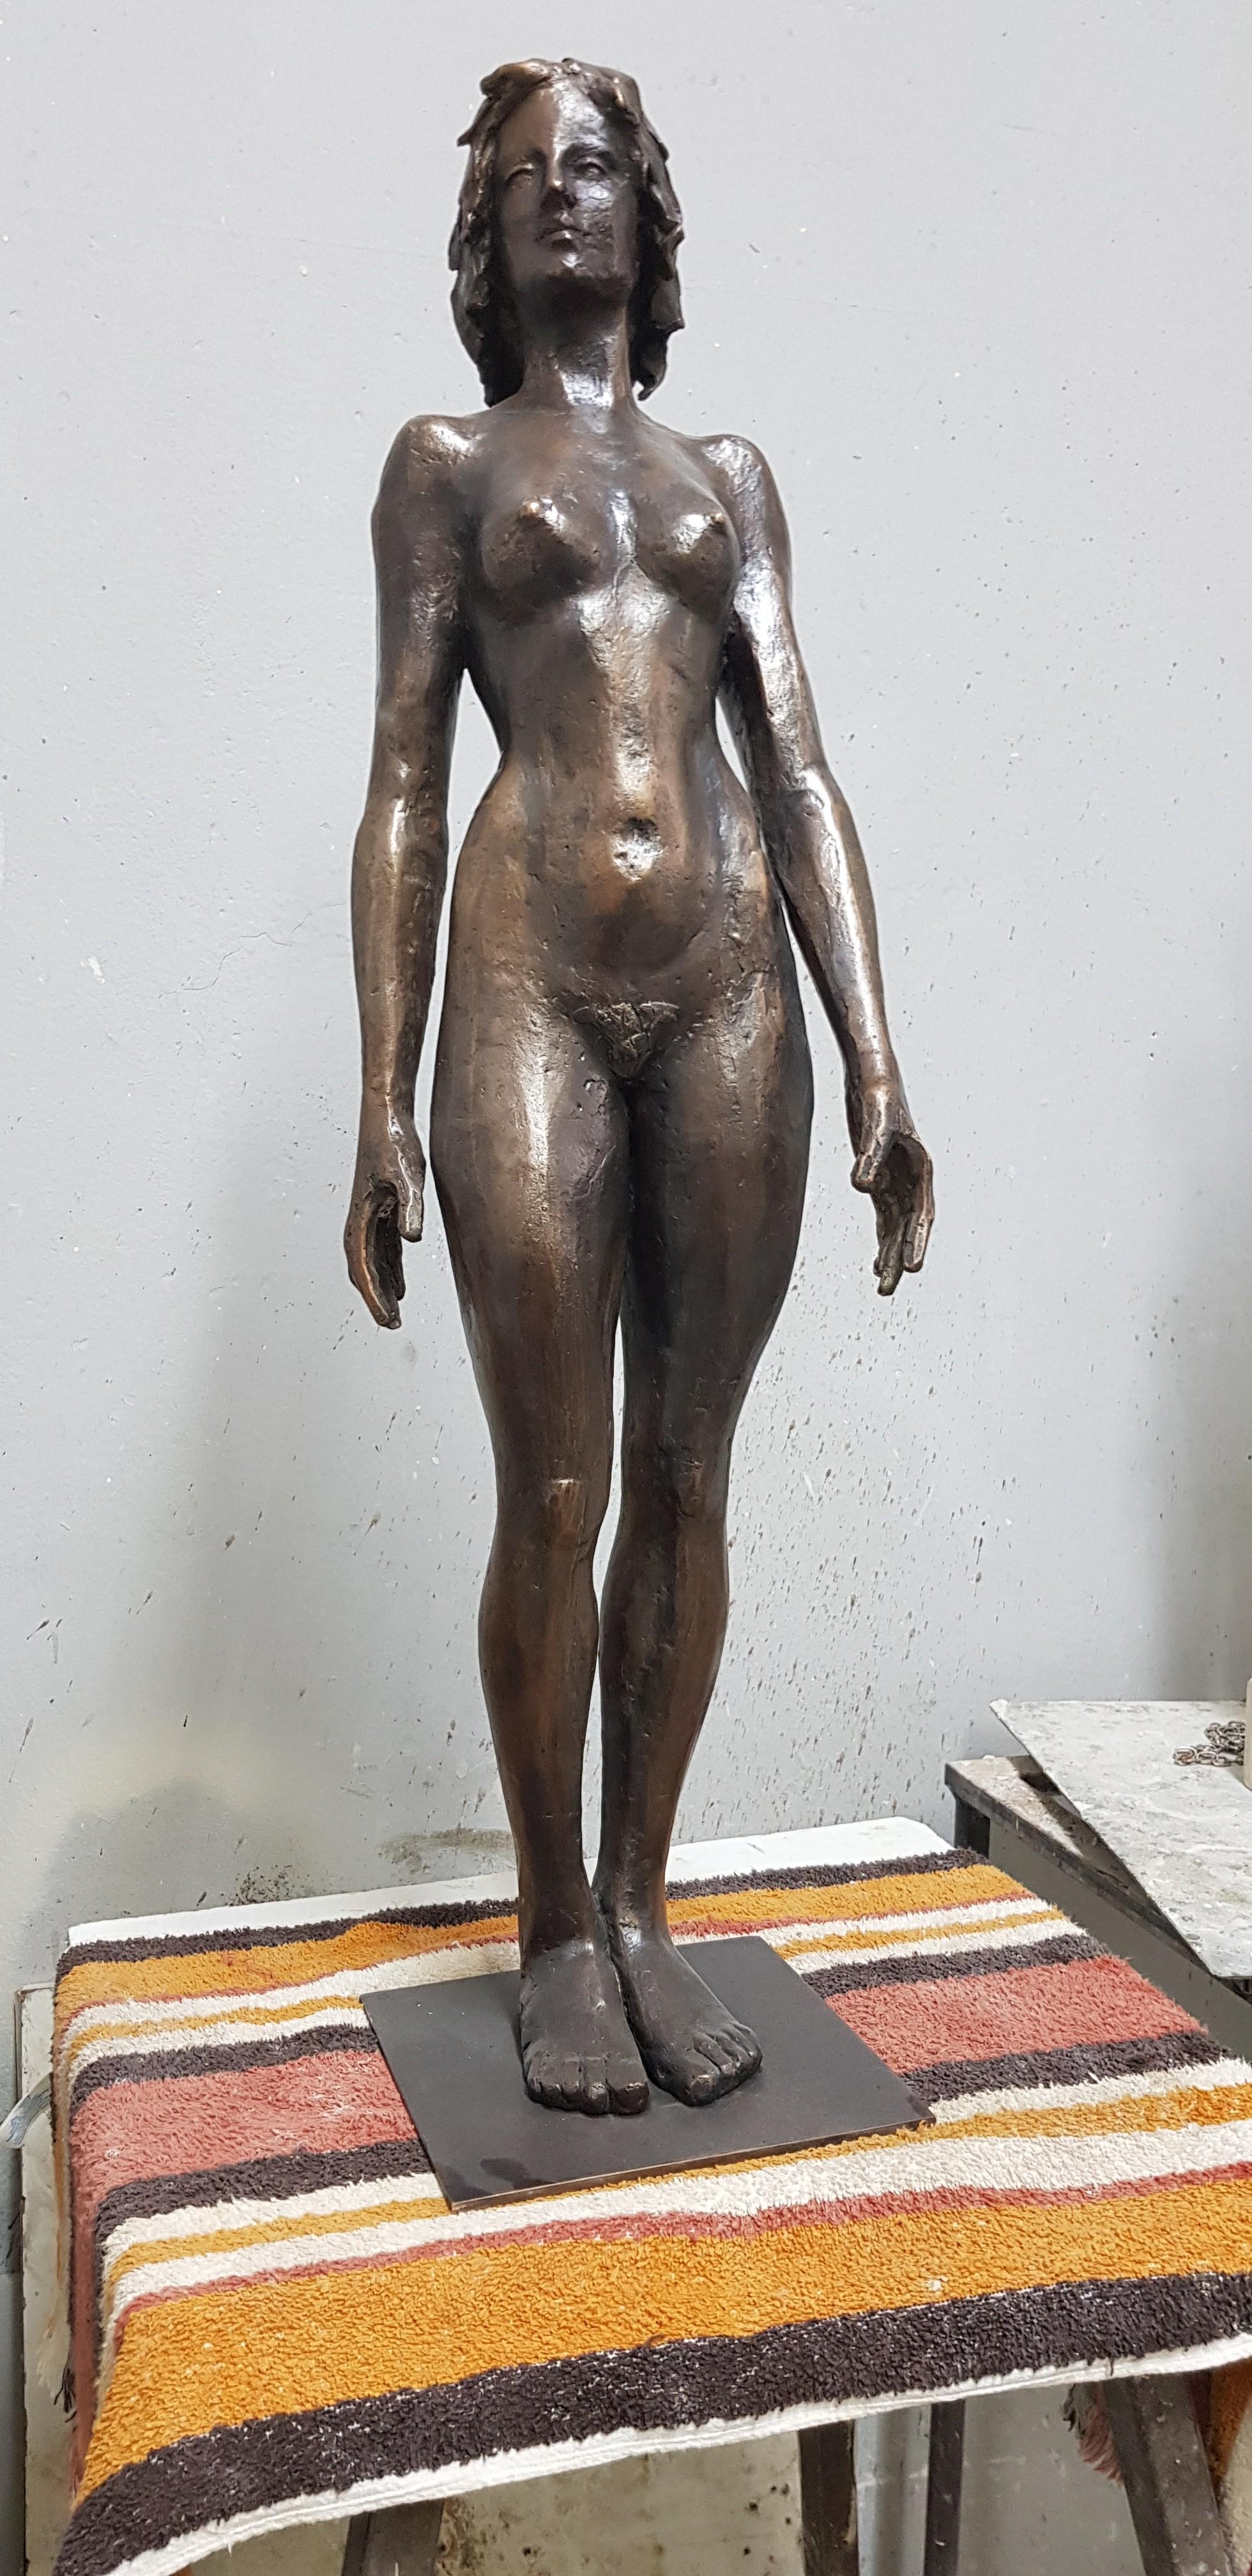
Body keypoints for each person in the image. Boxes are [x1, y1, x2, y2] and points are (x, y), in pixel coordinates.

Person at [345, 58, 934, 2116]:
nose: (561, 197)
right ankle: (550, 1932)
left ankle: (646, 1906)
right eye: (524, 177)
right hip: (527, 980)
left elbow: (801, 766)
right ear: (486, 235)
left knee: (688, 1473)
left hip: (729, 989)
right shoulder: (444, 466)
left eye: (594, 168)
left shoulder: (727, 483)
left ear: (647, 214)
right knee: (557, 1482)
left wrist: (877, 1052)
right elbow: (404, 782)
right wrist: (381, 1094)